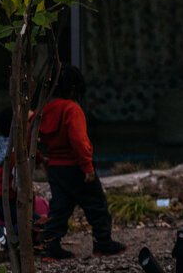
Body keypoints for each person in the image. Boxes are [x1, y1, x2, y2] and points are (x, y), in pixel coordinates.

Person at [38, 67, 125, 259]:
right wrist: (87, 167)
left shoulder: (45, 109)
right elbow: (79, 141)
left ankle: (49, 245)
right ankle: (103, 243)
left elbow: (29, 135)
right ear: (75, 88)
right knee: (96, 205)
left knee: (60, 207)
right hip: (75, 166)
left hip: (56, 167)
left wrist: (40, 159)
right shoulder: (72, 109)